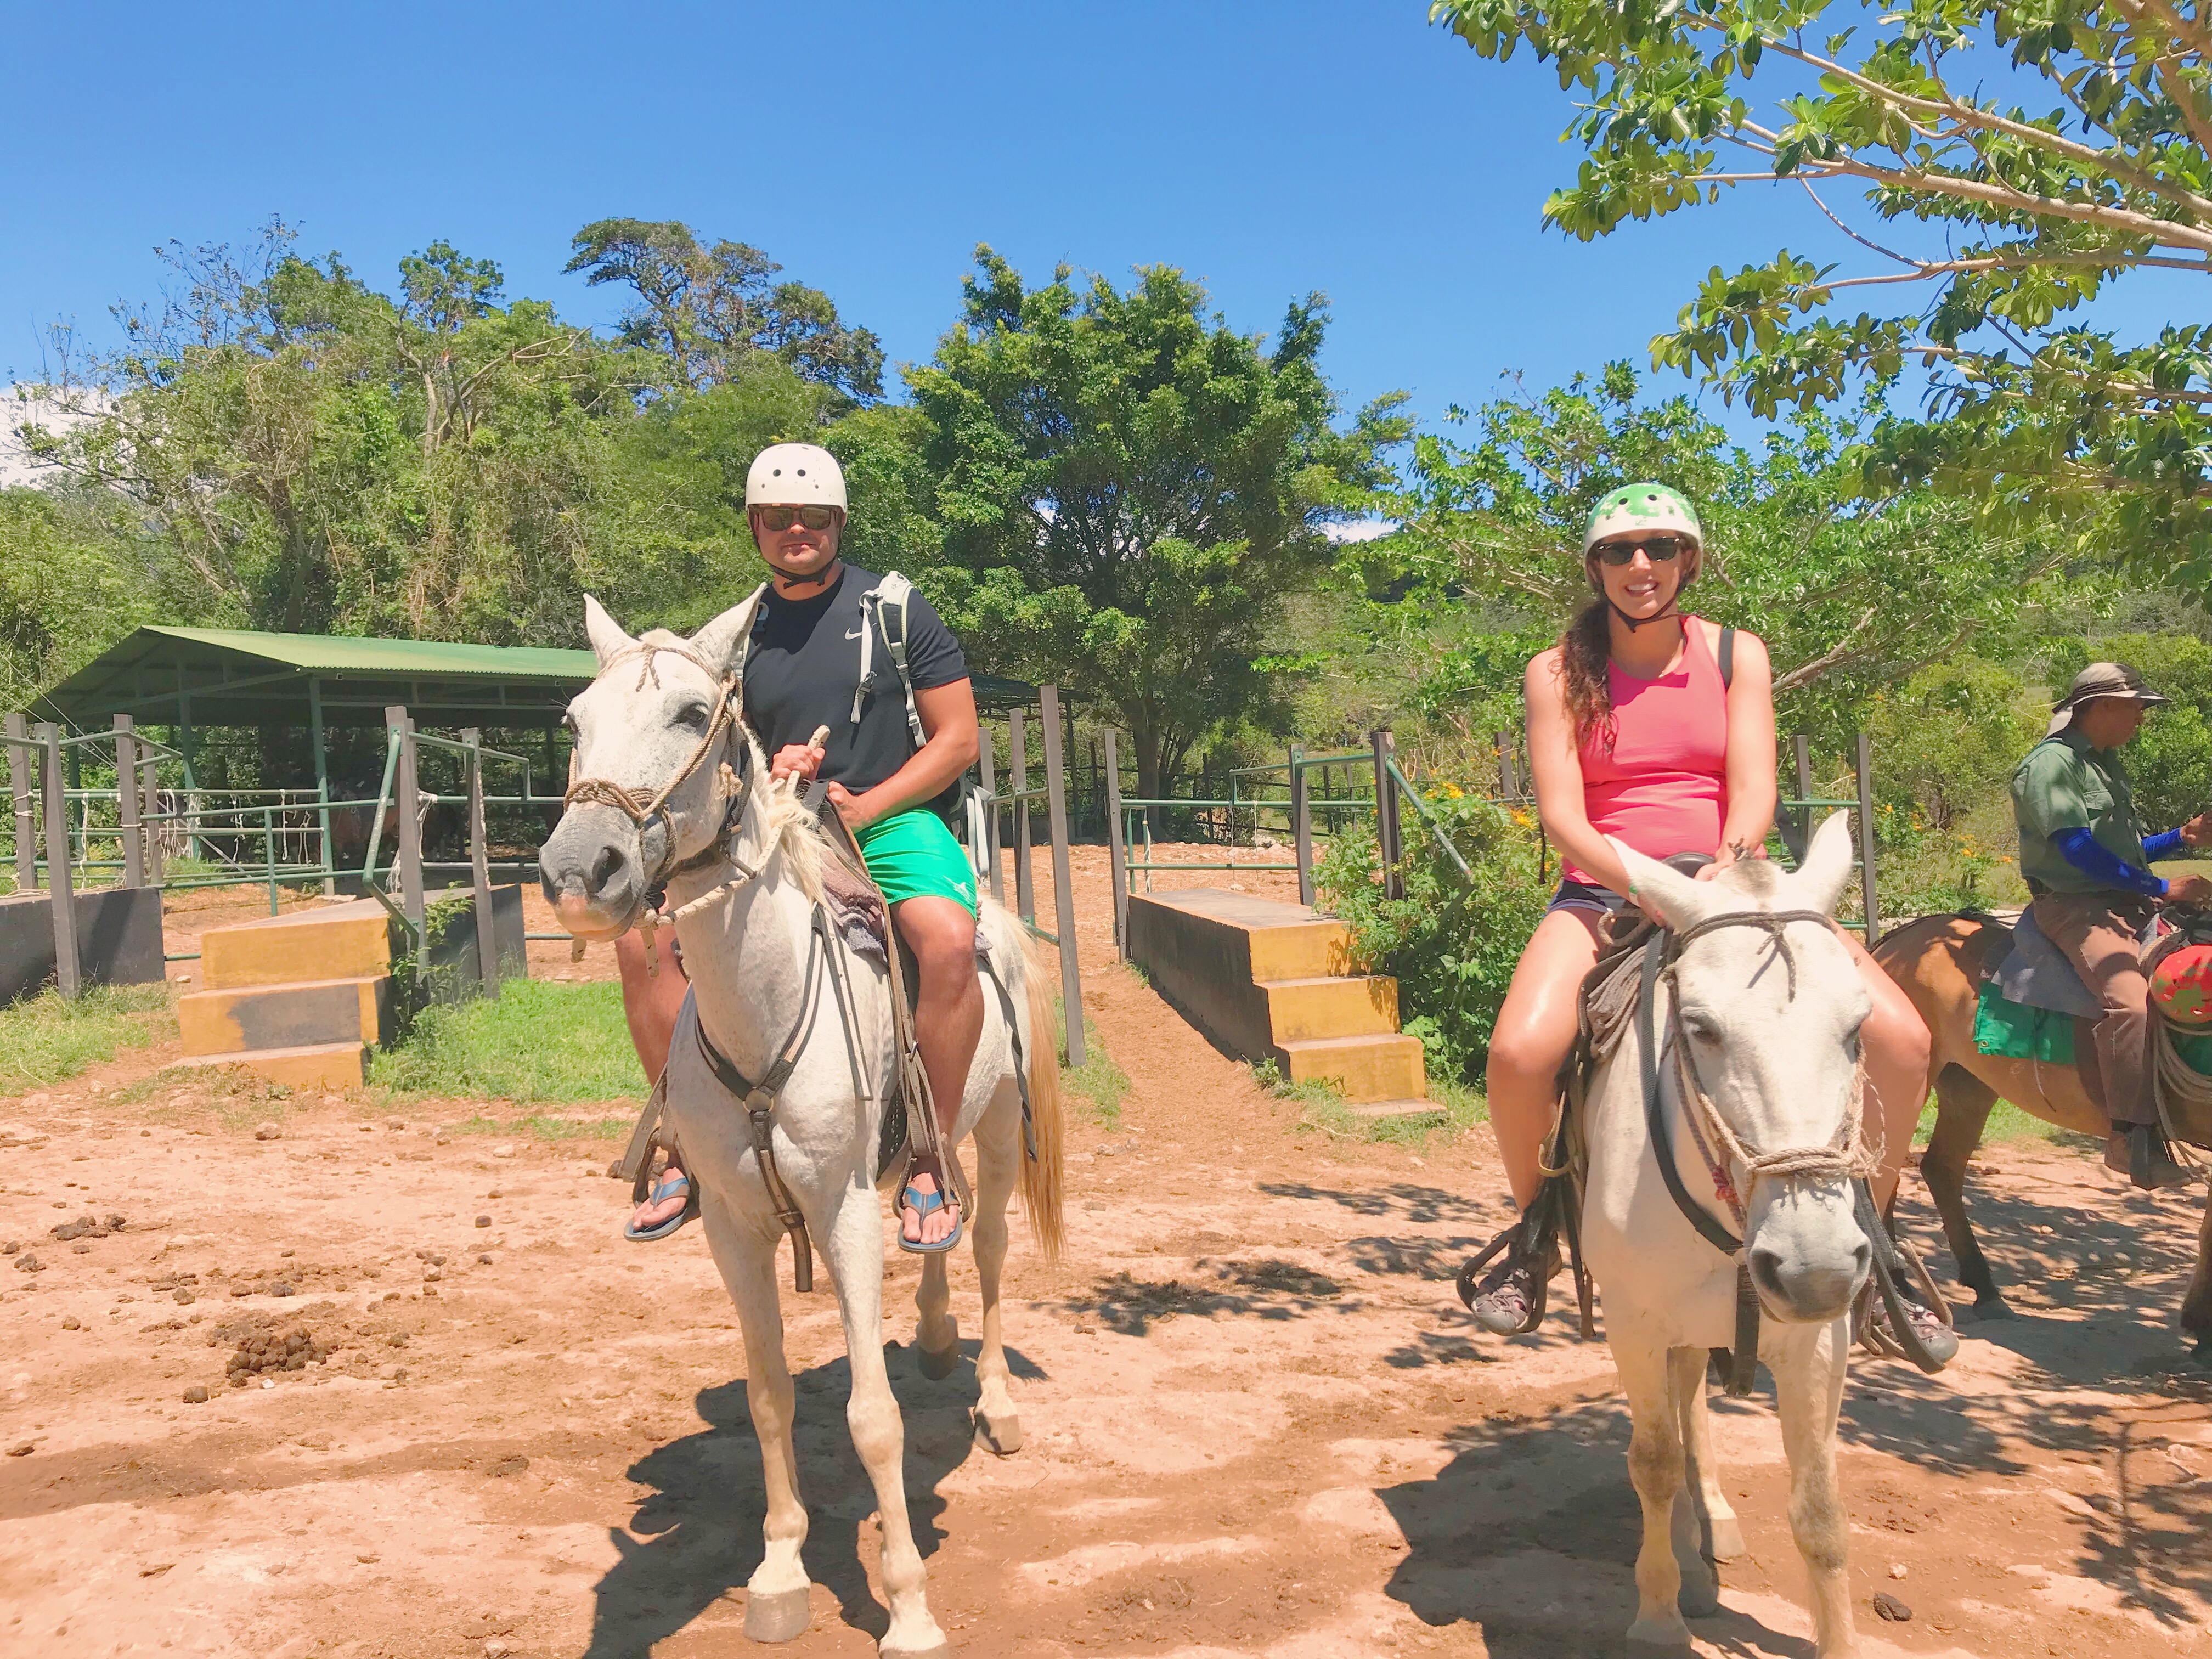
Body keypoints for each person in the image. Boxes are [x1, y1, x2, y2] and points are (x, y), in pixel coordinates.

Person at [1469, 482, 1948, 1359]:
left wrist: (1725, 866)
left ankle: (1875, 1246)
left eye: (1658, 547)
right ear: (1596, 567)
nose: (1640, 566)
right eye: (1619, 551)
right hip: (1606, 894)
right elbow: (1564, 817)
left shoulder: (1736, 655)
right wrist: (1646, 886)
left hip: (1733, 885)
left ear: (1688, 560)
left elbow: (1754, 780)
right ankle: (1535, 1235)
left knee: (1905, 1040)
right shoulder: (1556, 671)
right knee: (1518, 1054)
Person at [624, 441, 984, 1251]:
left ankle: (931, 1156)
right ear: (755, 526)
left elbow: (958, 740)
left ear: (839, 522)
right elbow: (715, 753)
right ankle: (681, 1144)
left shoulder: (894, 609)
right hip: (776, 827)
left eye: (813, 516)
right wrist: (771, 767)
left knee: (950, 941)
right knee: (643, 946)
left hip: (889, 819)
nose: (797, 529)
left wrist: (871, 804)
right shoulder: (738, 635)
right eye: (779, 517)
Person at [2011, 662, 2212, 1191]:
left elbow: (2123, 852)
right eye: (2136, 707)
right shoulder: (2051, 766)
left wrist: (2179, 840)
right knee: (2129, 999)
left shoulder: (2104, 764)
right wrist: (2163, 889)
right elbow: (2077, 853)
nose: (2141, 719)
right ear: (2102, 706)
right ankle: (2130, 1138)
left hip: (2125, 901)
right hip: (2077, 908)